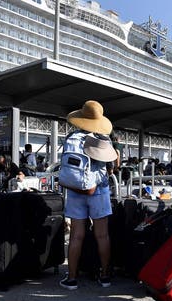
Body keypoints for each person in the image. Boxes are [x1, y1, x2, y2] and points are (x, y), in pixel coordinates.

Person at [60, 100, 116, 290]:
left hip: (75, 190)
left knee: (76, 235)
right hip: (99, 189)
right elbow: (112, 165)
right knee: (102, 235)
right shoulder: (104, 139)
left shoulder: (71, 137)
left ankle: (72, 278)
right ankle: (105, 276)